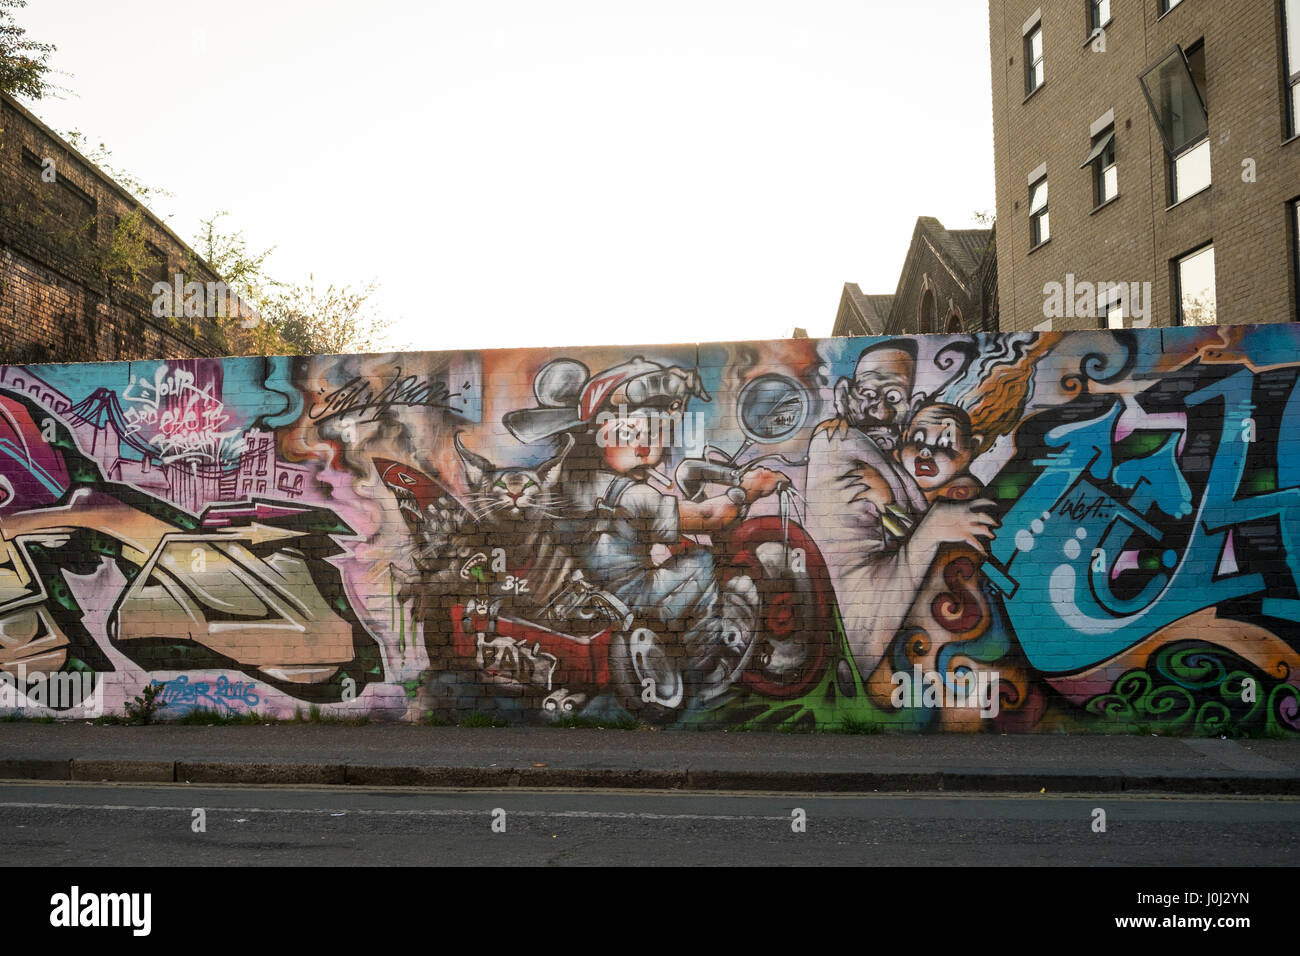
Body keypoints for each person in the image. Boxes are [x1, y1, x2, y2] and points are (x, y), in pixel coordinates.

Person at [504, 356, 788, 703]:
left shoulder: (566, 486)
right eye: (630, 433)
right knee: (701, 560)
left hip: (580, 596)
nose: (645, 446)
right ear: (595, 437)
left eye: (654, 434)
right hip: (633, 597)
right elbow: (710, 518)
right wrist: (747, 490)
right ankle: (710, 658)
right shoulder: (633, 496)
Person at [804, 342, 999, 683]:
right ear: (846, 394)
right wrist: (937, 523)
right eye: (868, 394)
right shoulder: (836, 442)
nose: (880, 411)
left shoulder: (885, 461)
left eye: (894, 398)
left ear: (911, 405)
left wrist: (892, 501)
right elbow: (899, 535)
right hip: (862, 618)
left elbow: (901, 526)